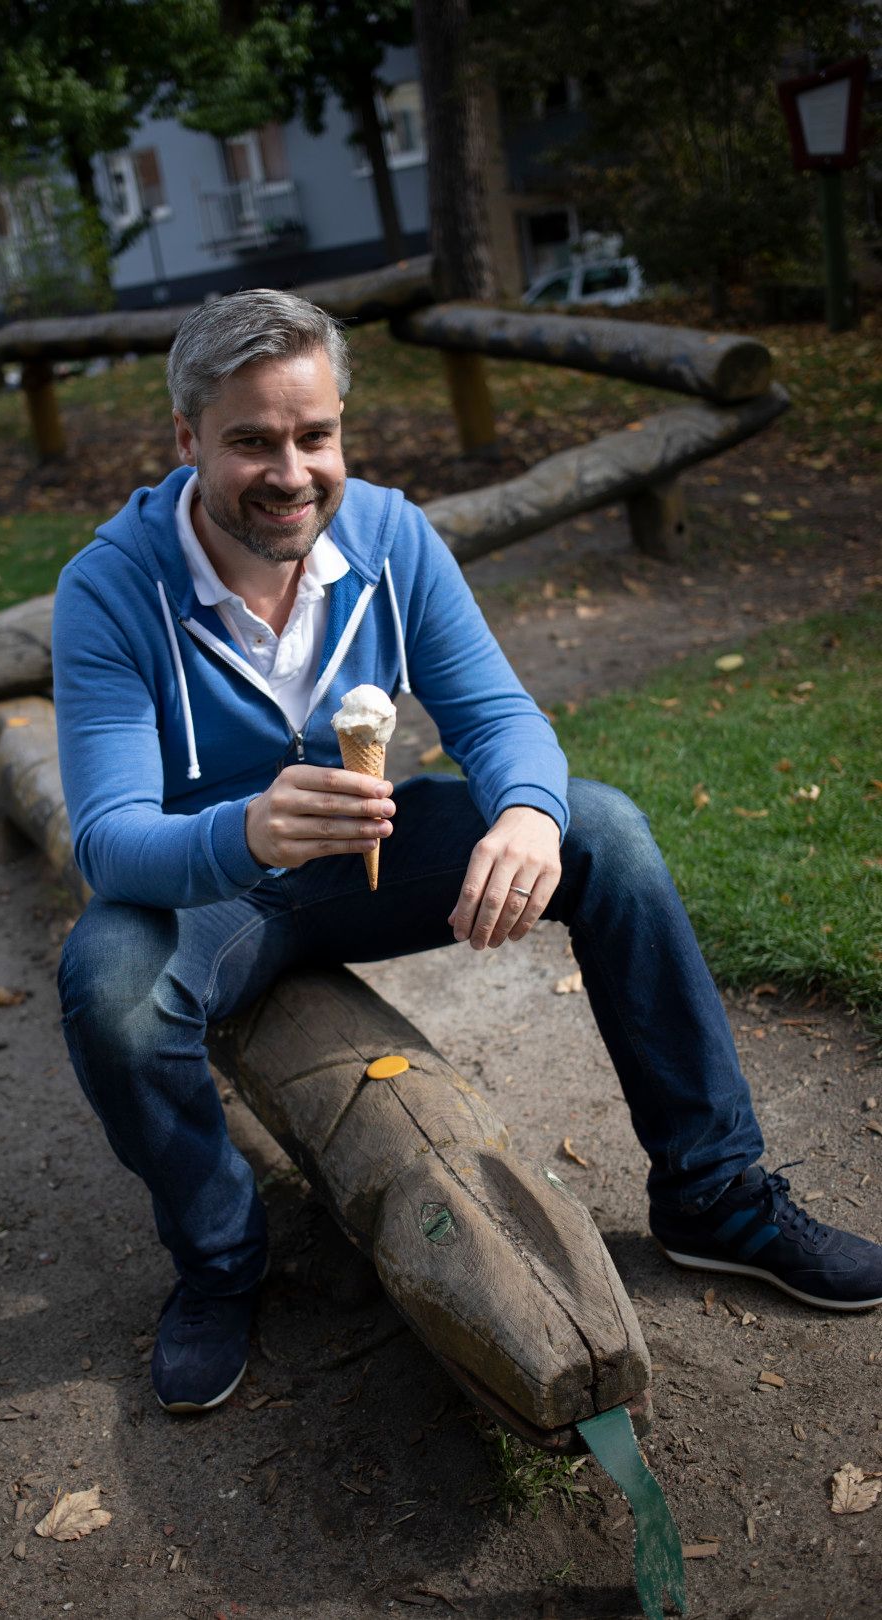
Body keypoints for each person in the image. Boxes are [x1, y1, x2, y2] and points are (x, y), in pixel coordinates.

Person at [53, 289, 882, 1416]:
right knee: (108, 986)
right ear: (187, 440)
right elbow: (108, 841)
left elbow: (495, 717)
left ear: (341, 425)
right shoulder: (111, 586)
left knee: (608, 832)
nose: (292, 471)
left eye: (316, 435)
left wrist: (530, 814)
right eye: (251, 441)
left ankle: (714, 1193)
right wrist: (240, 831)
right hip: (216, 885)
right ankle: (219, 1266)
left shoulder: (391, 535)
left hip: (375, 854)